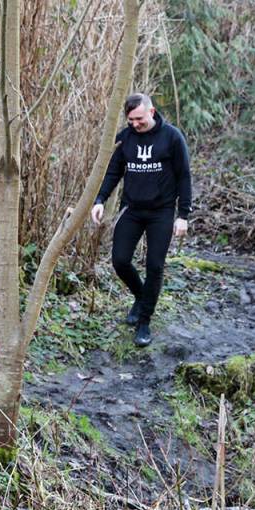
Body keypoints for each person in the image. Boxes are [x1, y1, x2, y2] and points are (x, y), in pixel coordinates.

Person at [91, 93, 192, 347]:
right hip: (132, 209)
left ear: (152, 112)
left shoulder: (172, 137)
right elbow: (114, 171)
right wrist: (100, 199)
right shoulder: (125, 138)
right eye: (130, 120)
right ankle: (141, 296)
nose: (135, 124)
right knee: (120, 260)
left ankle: (144, 321)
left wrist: (183, 215)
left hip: (162, 211)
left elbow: (184, 176)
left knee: (155, 267)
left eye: (139, 119)